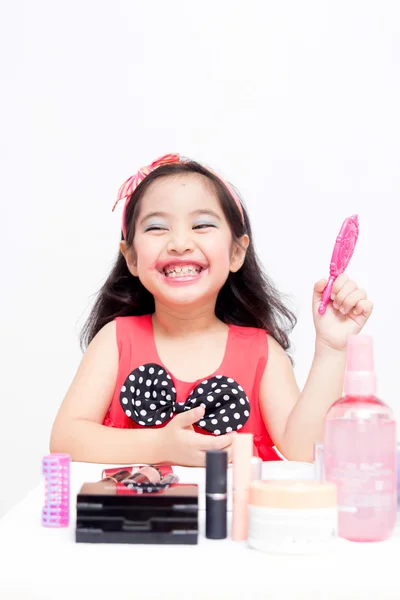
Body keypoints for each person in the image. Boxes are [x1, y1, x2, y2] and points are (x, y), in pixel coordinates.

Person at [50, 153, 373, 466]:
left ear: (236, 252)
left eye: (202, 225)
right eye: (156, 228)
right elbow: (65, 439)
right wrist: (160, 445)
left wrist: (332, 348)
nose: (179, 242)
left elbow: (304, 451)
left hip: (234, 520)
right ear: (131, 257)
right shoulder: (116, 340)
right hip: (141, 519)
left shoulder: (261, 352)